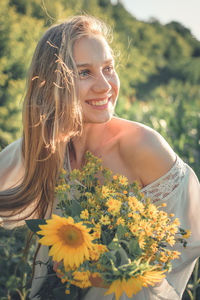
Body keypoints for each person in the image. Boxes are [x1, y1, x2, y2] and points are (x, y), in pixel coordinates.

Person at [0, 15, 200, 300]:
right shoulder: (43, 148)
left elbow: (188, 239)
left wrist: (106, 272)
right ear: (53, 82)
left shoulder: (143, 146)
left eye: (109, 68)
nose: (105, 86)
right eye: (84, 73)